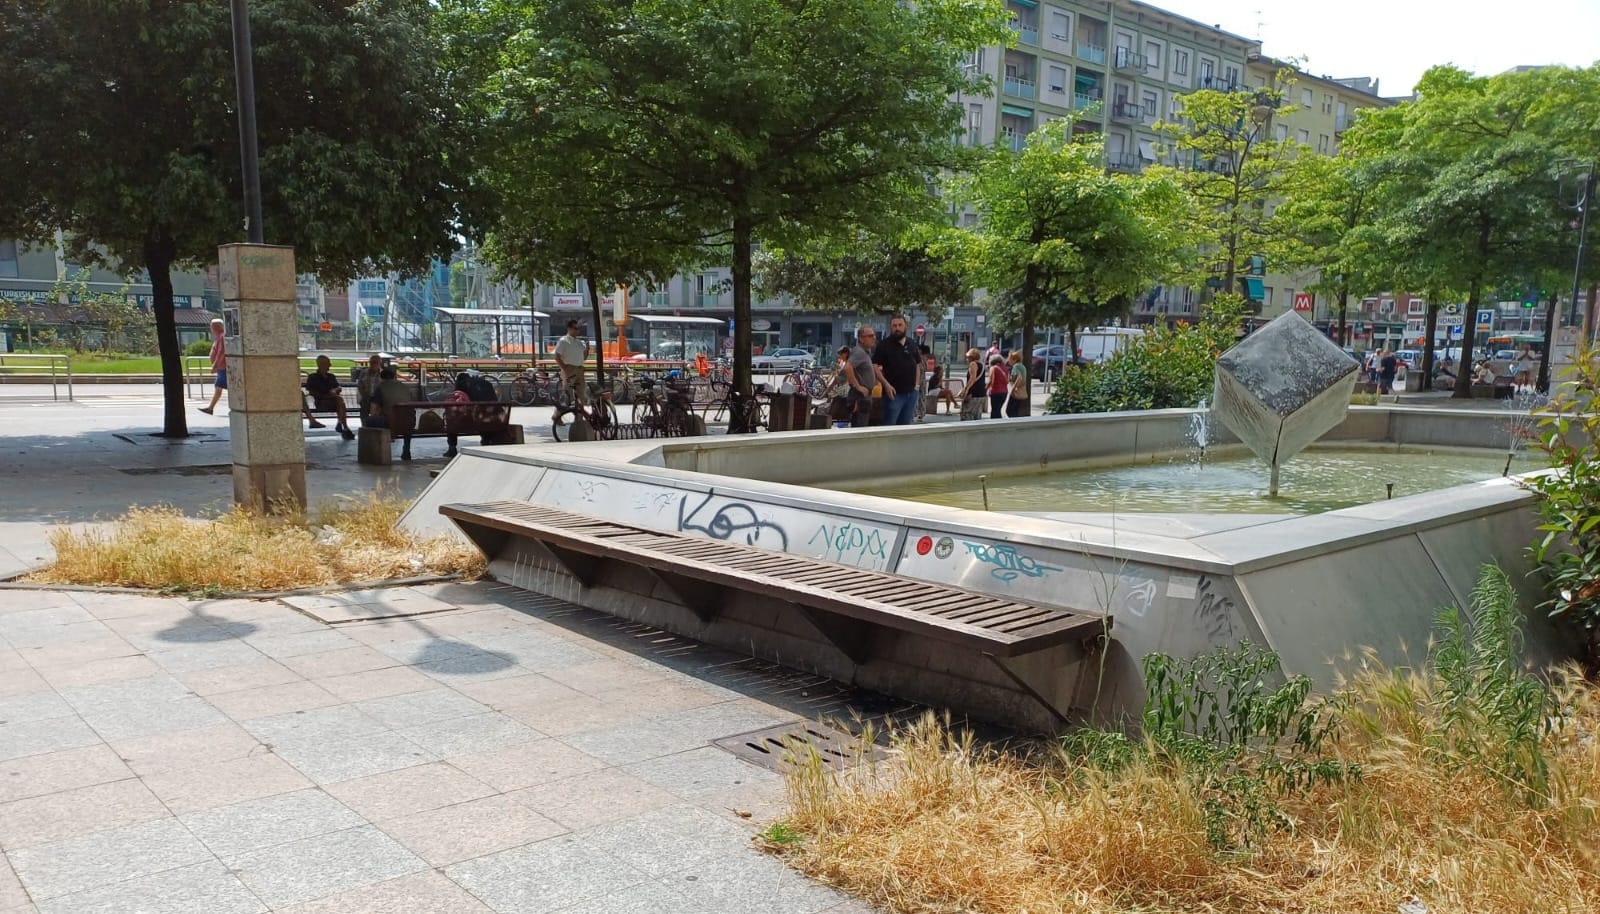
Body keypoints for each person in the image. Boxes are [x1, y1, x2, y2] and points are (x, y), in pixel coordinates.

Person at [871, 314, 922, 426]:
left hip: (911, 393)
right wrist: (886, 385)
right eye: (894, 326)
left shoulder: (912, 343)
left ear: (905, 326)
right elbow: (875, 366)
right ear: (890, 327)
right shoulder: (884, 345)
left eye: (900, 325)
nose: (897, 328)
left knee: (905, 426)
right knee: (890, 426)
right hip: (893, 394)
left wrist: (916, 385)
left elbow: (917, 364)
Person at [367, 367, 418, 460]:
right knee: (405, 421)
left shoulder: (380, 387)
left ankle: (377, 451)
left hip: (390, 423)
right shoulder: (404, 386)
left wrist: (373, 416)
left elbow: (373, 409)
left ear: (381, 378)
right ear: (394, 377)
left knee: (369, 421)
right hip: (409, 421)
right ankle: (406, 450)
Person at [301, 355, 355, 439]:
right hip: (321, 402)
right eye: (328, 363)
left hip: (333, 401)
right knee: (340, 402)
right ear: (322, 364)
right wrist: (327, 395)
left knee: (339, 402)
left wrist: (335, 390)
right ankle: (344, 426)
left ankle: (342, 425)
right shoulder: (313, 377)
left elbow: (338, 386)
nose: (330, 365)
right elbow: (312, 392)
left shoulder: (331, 376)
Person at [842, 326, 881, 428]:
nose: (874, 338)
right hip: (859, 396)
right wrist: (858, 386)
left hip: (865, 396)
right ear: (861, 338)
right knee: (860, 428)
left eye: (874, 335)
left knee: (863, 426)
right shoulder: (859, 352)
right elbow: (848, 367)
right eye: (870, 336)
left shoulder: (865, 353)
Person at [554, 319, 589, 413]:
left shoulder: (578, 342)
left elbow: (583, 357)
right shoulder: (563, 341)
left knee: (581, 394)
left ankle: (579, 417)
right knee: (567, 394)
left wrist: (587, 349)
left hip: (579, 369)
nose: (578, 330)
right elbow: (557, 356)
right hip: (569, 369)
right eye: (575, 328)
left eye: (578, 328)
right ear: (569, 328)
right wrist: (564, 368)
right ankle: (557, 415)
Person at [198, 318, 226, 415]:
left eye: (211, 326)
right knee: (220, 387)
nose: (211, 329)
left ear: (216, 327)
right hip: (221, 367)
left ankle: (210, 408)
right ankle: (210, 408)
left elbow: (221, 352)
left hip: (223, 367)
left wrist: (215, 365)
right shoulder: (219, 337)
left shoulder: (221, 337)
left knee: (219, 387)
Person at [922, 345, 957, 414]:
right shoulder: (934, 377)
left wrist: (942, 389)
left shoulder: (939, 377)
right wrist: (940, 381)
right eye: (942, 370)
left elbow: (940, 388)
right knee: (948, 392)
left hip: (937, 391)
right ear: (938, 371)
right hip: (932, 392)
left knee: (948, 394)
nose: (943, 371)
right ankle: (955, 404)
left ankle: (948, 410)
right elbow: (934, 387)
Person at [960, 348, 985, 420]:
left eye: (968, 357)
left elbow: (972, 378)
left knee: (967, 413)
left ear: (971, 357)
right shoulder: (981, 365)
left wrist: (966, 389)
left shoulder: (973, 364)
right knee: (977, 415)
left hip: (973, 393)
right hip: (981, 393)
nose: (967, 359)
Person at [1004, 350, 1030, 418]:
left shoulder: (1016, 366)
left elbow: (1019, 377)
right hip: (1022, 391)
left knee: (1009, 410)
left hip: (1017, 391)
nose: (1008, 360)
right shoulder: (1022, 366)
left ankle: (1013, 424)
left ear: (1014, 360)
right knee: (1015, 410)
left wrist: (1014, 388)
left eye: (1009, 359)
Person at [986, 353, 1009, 419]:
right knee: (998, 410)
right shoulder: (1005, 368)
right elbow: (1007, 381)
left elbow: (991, 381)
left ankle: (994, 425)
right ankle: (999, 424)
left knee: (994, 411)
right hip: (1004, 392)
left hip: (995, 392)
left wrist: (985, 389)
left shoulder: (993, 368)